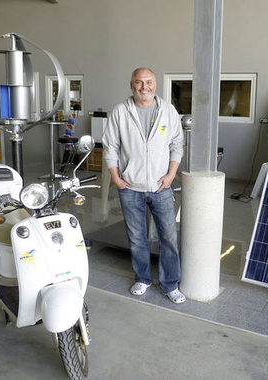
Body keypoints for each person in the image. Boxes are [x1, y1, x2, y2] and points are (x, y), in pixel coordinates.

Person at [102, 67, 186, 304]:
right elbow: (110, 147)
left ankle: (170, 284)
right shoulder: (120, 111)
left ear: (155, 84)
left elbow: (177, 144)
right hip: (130, 187)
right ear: (131, 85)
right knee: (136, 237)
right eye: (139, 82)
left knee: (168, 237)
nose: (144, 87)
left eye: (148, 82)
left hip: (161, 187)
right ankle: (143, 278)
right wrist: (117, 179)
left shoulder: (168, 111)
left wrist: (171, 175)